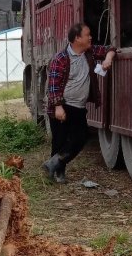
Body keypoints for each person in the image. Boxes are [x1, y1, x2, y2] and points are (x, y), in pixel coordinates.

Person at [42, 23, 116, 184]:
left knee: (81, 138)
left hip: (79, 107)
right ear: (77, 38)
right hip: (62, 106)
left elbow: (110, 48)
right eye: (87, 35)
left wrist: (108, 59)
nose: (90, 38)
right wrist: (58, 107)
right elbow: (53, 86)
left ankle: (53, 164)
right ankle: (57, 174)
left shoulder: (89, 53)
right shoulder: (60, 59)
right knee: (59, 140)